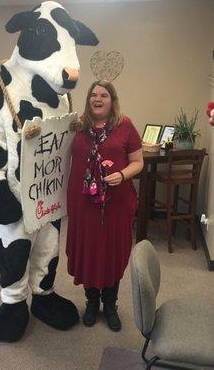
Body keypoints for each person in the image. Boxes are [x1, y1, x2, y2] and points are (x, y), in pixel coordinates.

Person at [66, 80, 143, 331]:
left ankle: (110, 305)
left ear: (113, 100)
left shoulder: (125, 126)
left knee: (111, 251)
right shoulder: (76, 126)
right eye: (93, 95)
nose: (97, 99)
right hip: (84, 203)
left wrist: (122, 175)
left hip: (115, 203)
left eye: (104, 95)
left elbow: (137, 162)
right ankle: (91, 303)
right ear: (88, 100)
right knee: (89, 249)